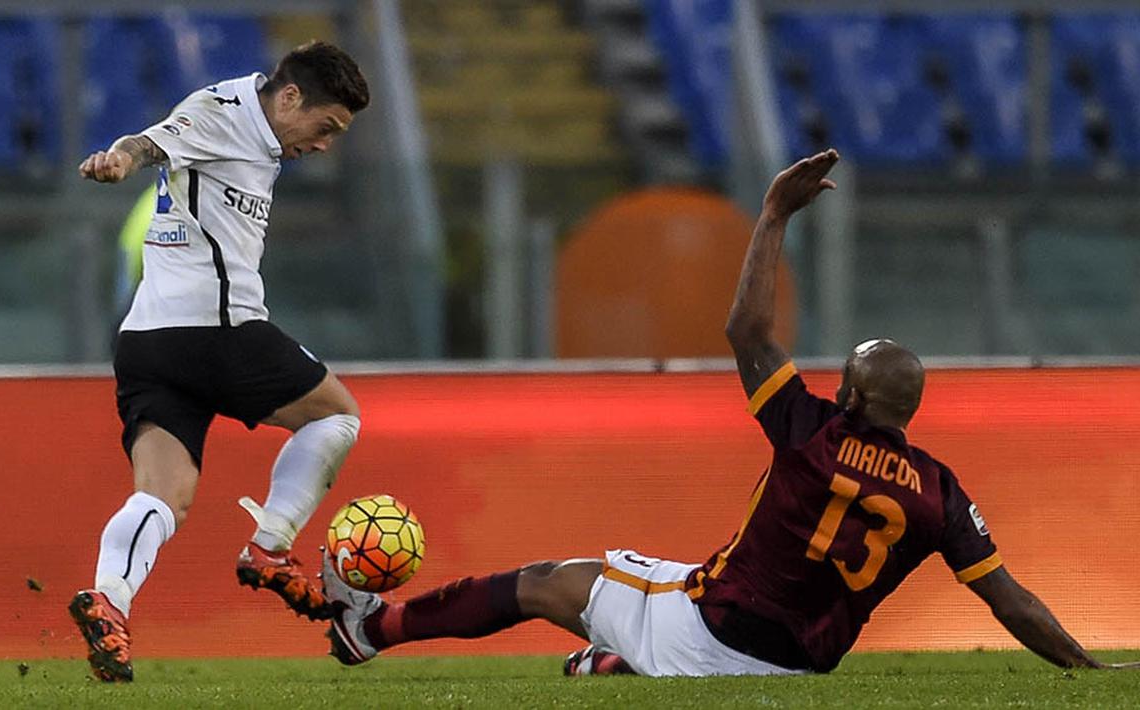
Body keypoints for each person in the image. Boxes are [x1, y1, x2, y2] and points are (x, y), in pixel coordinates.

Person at [319, 150, 1136, 676]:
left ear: (850, 395)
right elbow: (1007, 598)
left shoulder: (812, 429)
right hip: (800, 662)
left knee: (542, 584)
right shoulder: (940, 491)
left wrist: (774, 214)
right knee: (671, 582)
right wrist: (1083, 666)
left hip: (716, 630)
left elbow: (744, 329)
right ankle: (617, 668)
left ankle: (372, 629)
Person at [68, 40, 370, 682]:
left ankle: (109, 604)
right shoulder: (224, 108)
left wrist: (131, 155)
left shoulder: (251, 125)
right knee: (337, 416)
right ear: (290, 97)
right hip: (216, 327)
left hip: (146, 341)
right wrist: (122, 157)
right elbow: (152, 140)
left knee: (162, 500)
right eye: (326, 127)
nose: (323, 145)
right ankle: (270, 549)